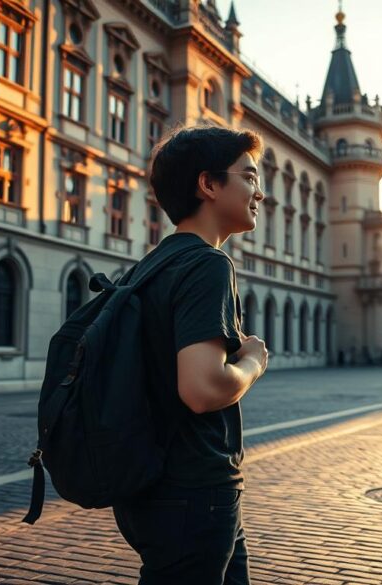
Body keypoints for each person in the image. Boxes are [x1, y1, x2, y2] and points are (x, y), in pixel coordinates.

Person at [112, 125, 270, 585]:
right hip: (194, 487)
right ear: (208, 184)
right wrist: (253, 362)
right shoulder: (208, 264)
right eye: (249, 177)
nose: (259, 194)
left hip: (150, 482)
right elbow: (201, 390)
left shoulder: (148, 266)